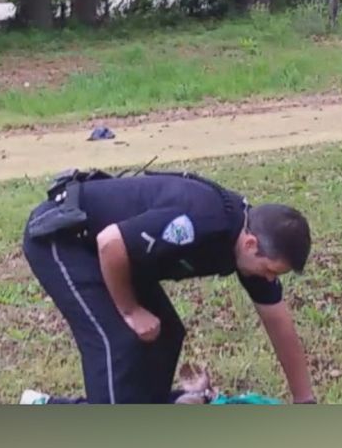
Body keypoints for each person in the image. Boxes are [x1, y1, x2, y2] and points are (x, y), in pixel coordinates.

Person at [19, 167, 316, 404]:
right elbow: (110, 242)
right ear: (251, 244)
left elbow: (278, 321)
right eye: (270, 270)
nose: (269, 279)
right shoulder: (202, 221)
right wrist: (130, 310)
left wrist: (305, 401)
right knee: (119, 340)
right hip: (65, 241)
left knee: (166, 334)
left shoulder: (250, 247)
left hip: (119, 256)